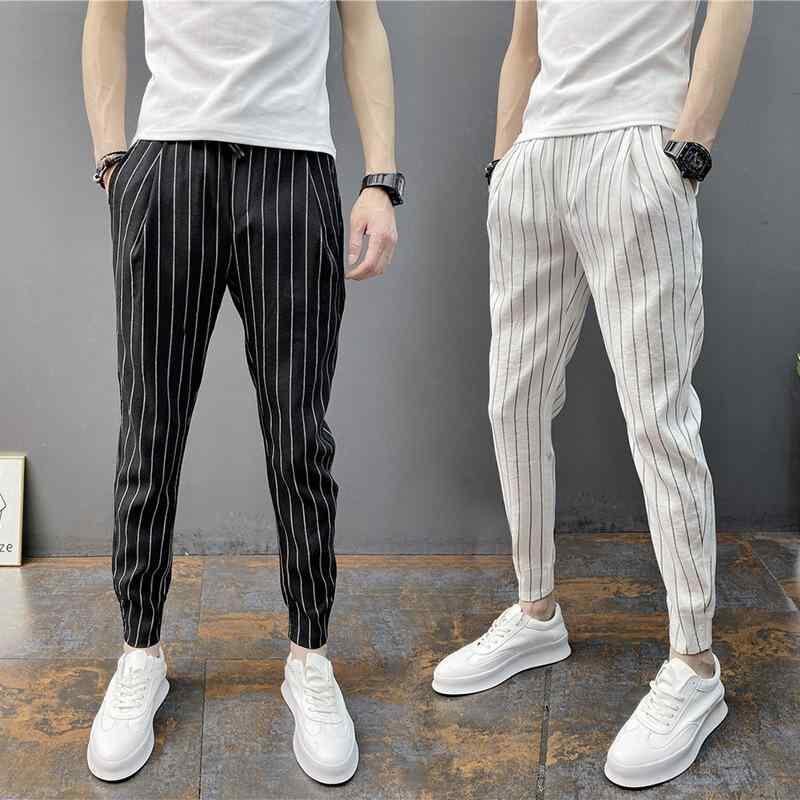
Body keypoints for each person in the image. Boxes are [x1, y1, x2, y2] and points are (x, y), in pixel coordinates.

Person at [82, 0, 403, 785]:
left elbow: (362, 22)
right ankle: (140, 652)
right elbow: (104, 15)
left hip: (293, 168)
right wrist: (113, 161)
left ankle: (309, 656)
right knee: (150, 431)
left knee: (299, 439)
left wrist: (380, 178)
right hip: (170, 165)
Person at [433, 0, 752, 788]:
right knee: (513, 402)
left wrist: (690, 148)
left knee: (658, 417)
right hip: (536, 160)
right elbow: (525, 39)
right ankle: (536, 612)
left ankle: (695, 665)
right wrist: (504, 164)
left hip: (636, 147)